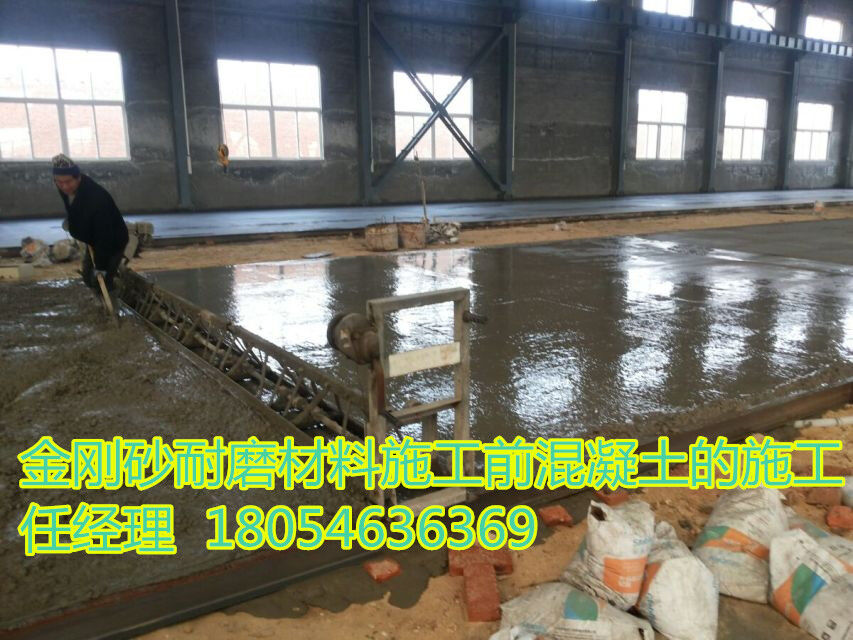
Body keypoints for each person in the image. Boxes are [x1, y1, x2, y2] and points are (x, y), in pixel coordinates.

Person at [52, 154, 129, 293]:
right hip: (93, 238)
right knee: (88, 277)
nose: (64, 186)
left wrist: (101, 267)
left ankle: (113, 297)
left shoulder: (96, 199)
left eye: (68, 182)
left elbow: (104, 237)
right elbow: (75, 207)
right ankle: (102, 289)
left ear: (78, 177)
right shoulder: (68, 189)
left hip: (113, 241)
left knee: (101, 282)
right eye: (59, 182)